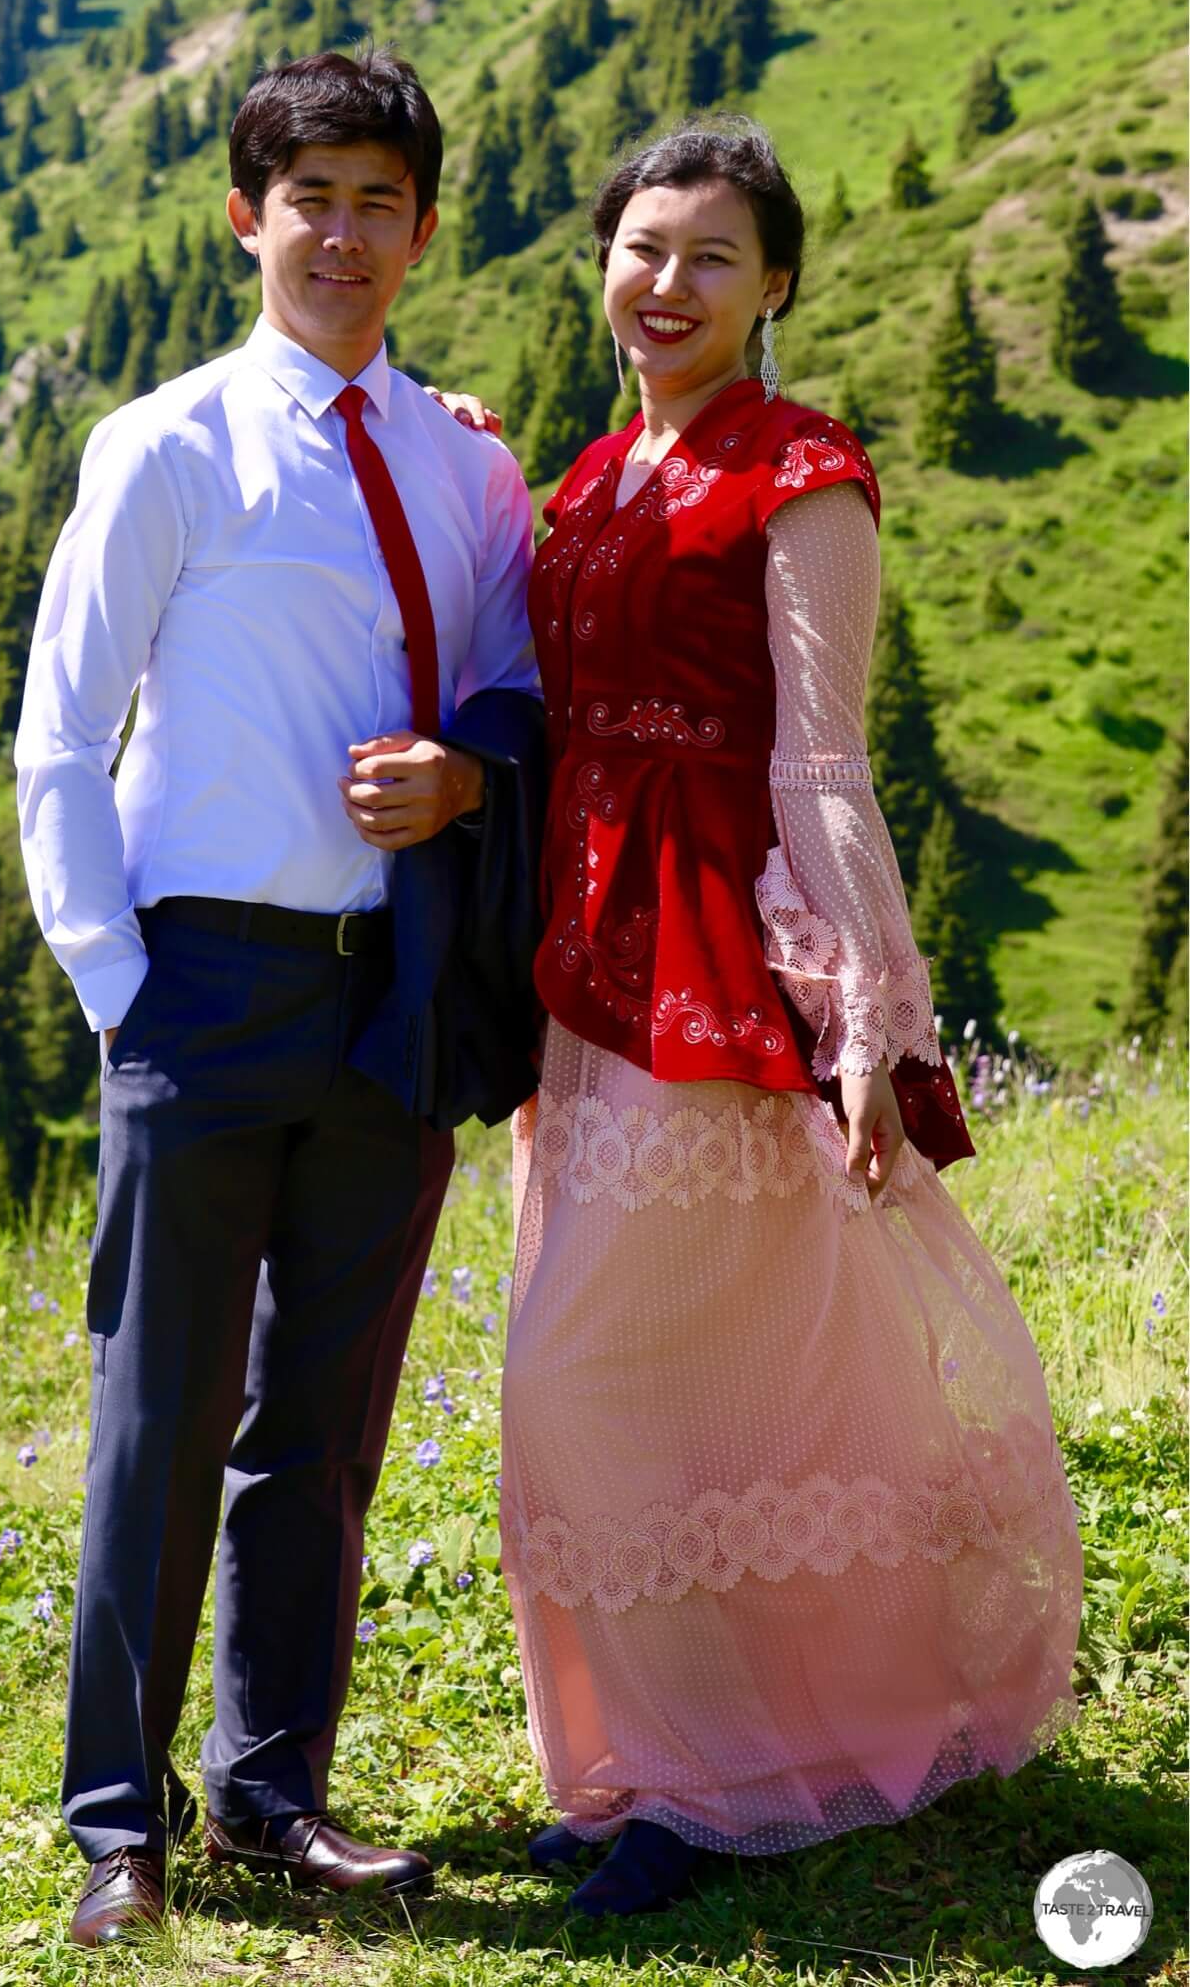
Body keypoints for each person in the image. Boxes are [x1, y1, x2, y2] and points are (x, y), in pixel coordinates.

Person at [490, 117, 1084, 1919]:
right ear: (601, 260)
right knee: (636, 1383)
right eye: (641, 247)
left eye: (711, 258)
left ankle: (710, 1778)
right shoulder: (589, 475)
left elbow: (824, 761)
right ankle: (646, 1766)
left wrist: (870, 1017)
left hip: (719, 963)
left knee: (609, 1371)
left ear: (777, 289)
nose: (664, 285)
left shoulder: (803, 476)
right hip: (585, 965)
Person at [14, 47, 541, 1949]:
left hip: (386, 997)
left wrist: (469, 782)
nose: (341, 231)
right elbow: (59, 734)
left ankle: (273, 1797)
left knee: (320, 1420)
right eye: (306, 194)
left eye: (377, 198)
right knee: (159, 1421)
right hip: (202, 983)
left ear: (419, 228)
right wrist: (120, 996)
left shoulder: (464, 461)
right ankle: (115, 1828)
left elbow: (507, 677)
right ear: (248, 218)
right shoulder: (162, 444)